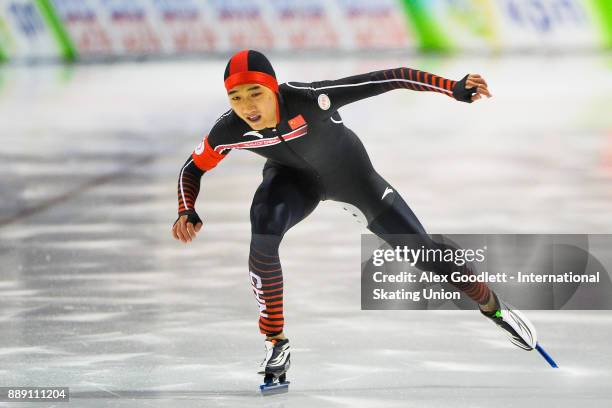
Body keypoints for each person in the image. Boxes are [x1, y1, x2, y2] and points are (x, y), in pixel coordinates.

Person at [171, 49, 537, 386]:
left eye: (255, 93)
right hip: (293, 184)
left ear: (272, 89)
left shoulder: (309, 98)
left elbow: (391, 76)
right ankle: (275, 341)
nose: (247, 107)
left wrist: (452, 88)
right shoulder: (229, 130)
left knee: (424, 255)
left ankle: (492, 306)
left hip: (355, 181)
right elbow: (193, 167)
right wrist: (186, 208)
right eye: (236, 98)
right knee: (262, 238)